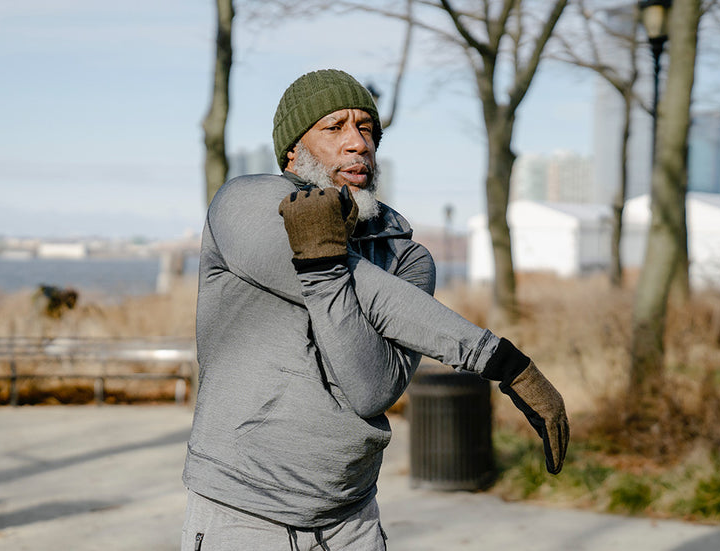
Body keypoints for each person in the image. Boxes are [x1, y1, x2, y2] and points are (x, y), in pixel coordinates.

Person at [181, 69, 568, 551]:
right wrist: (503, 361)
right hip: (242, 517)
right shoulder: (246, 206)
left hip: (352, 523)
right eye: (334, 127)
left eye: (366, 128)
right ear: (291, 151)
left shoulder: (405, 257)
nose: (357, 143)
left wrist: (323, 269)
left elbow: (371, 390)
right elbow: (370, 292)